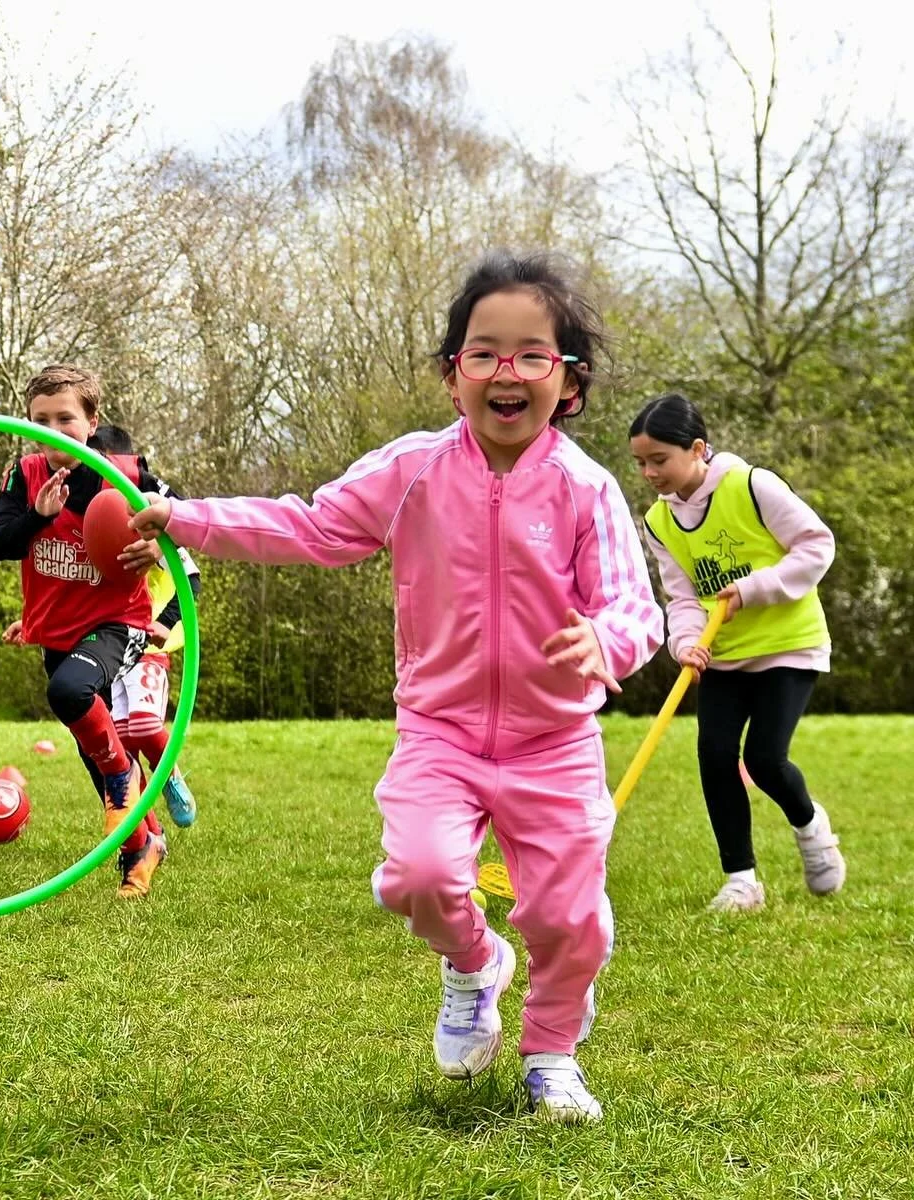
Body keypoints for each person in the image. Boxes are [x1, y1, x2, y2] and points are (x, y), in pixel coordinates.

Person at [129, 254, 663, 1123]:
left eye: (533, 355)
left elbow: (635, 608)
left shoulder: (586, 488)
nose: (506, 372)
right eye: (482, 353)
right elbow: (309, 525)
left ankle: (552, 1054)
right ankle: (475, 960)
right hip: (441, 733)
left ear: (569, 380)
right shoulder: (413, 469)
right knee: (417, 875)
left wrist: (604, 638)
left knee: (570, 921)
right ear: (453, 374)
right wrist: (187, 518)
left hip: (554, 742)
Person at [628, 393, 845, 914]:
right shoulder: (659, 522)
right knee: (715, 756)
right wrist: (684, 642)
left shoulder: (752, 485)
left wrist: (756, 587)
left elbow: (817, 545)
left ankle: (810, 825)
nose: (649, 472)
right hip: (721, 652)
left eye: (659, 459)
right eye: (640, 462)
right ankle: (741, 880)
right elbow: (681, 595)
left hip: (788, 645)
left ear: (697, 448)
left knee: (766, 760)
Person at [0, 365, 178, 899]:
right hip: (55, 630)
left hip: (119, 623)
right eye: (39, 420)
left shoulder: (129, 476)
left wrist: (159, 544)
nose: (52, 430)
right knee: (93, 743)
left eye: (65, 419)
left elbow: (185, 520)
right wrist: (38, 518)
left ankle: (123, 788)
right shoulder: (23, 475)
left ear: (92, 422)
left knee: (71, 692)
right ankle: (144, 845)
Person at [90, 424, 199, 828]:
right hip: (109, 642)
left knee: (144, 725)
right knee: (119, 738)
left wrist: (163, 623)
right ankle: (136, 822)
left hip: (149, 641)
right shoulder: (91, 517)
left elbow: (190, 579)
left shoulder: (148, 517)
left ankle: (170, 776)